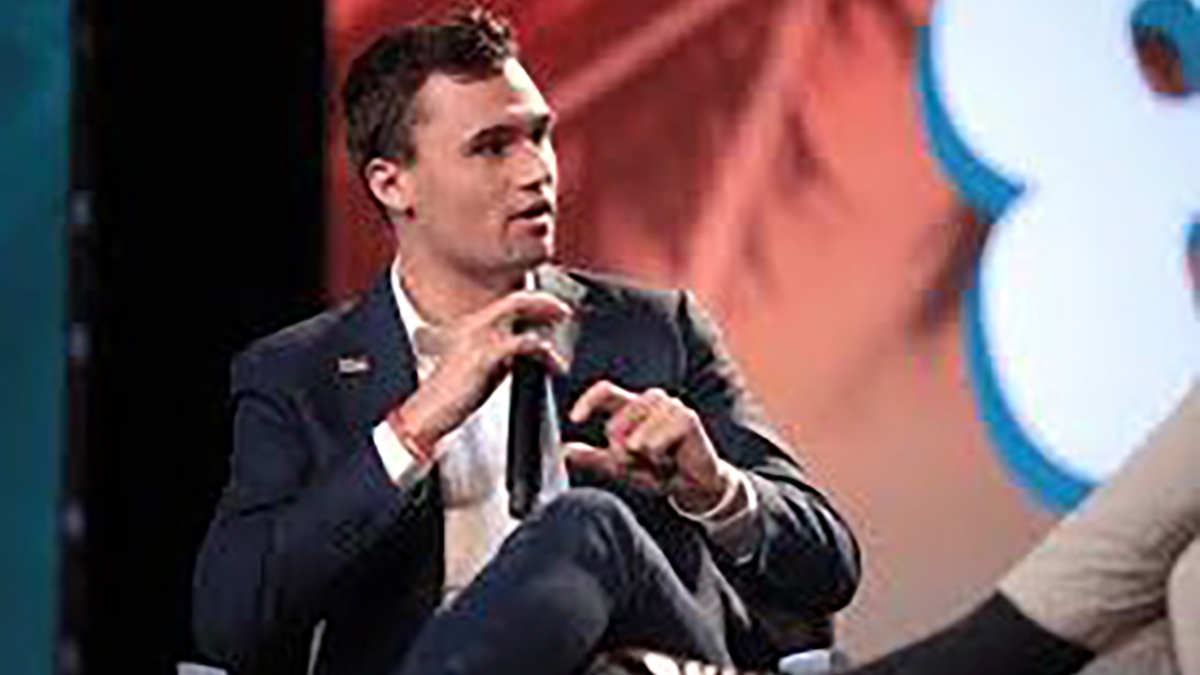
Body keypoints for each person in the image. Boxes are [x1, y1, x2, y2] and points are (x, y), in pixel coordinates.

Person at [191, 8, 860, 675]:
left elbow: (829, 564)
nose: (535, 170)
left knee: (591, 526)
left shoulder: (657, 331)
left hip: (638, 660)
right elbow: (230, 626)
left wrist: (714, 490)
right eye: (491, 147)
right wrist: (410, 430)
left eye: (538, 136)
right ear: (392, 183)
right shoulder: (298, 372)